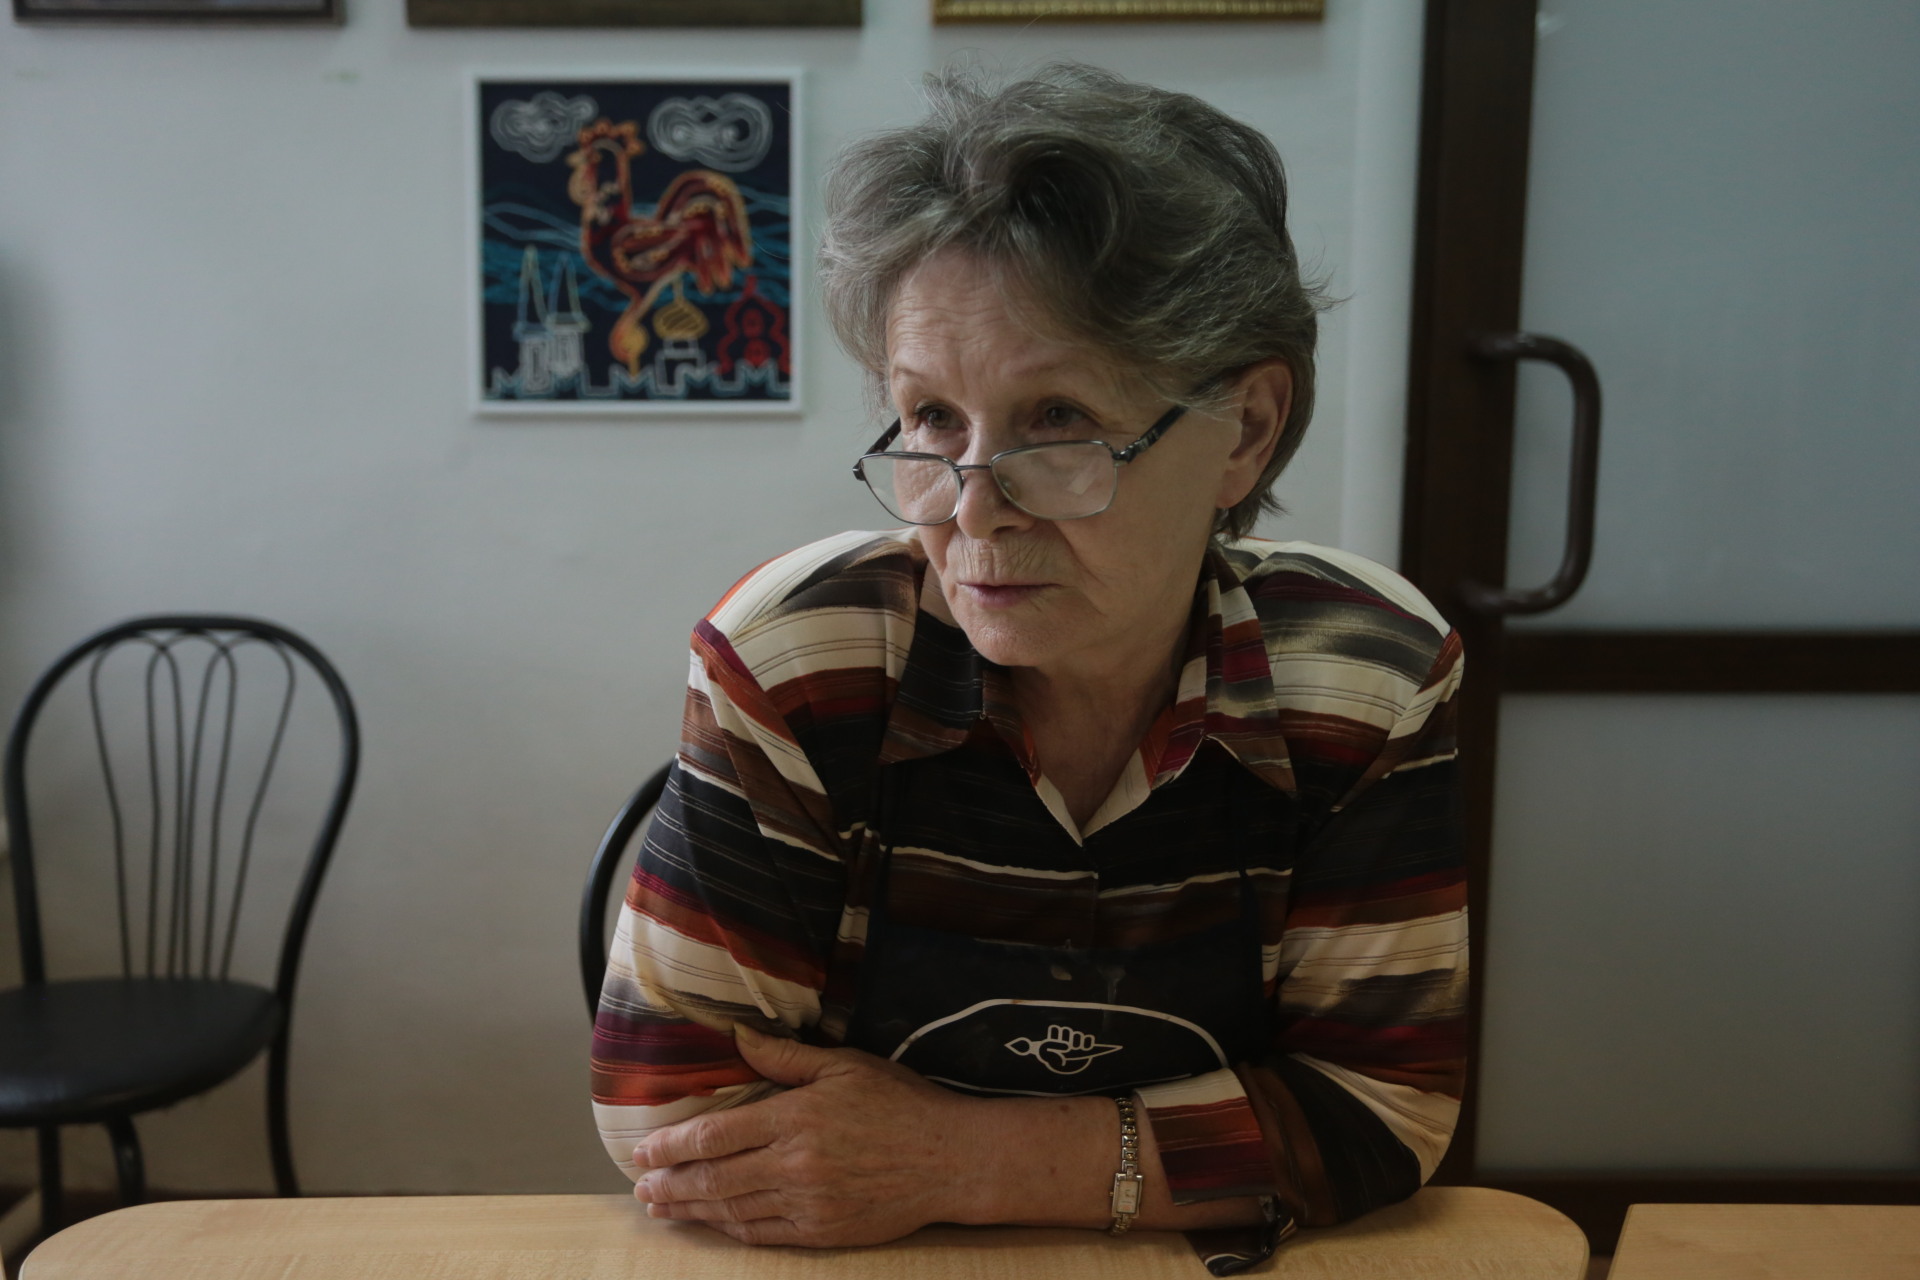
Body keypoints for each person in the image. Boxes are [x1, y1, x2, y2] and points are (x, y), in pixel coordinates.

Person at [590, 63, 1466, 1276]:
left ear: (1248, 429)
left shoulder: (1362, 675)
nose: (972, 510)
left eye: (1059, 419)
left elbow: (1374, 1112)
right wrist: (1177, 1151)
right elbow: (675, 1114)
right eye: (931, 418)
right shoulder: (804, 657)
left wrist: (957, 1158)